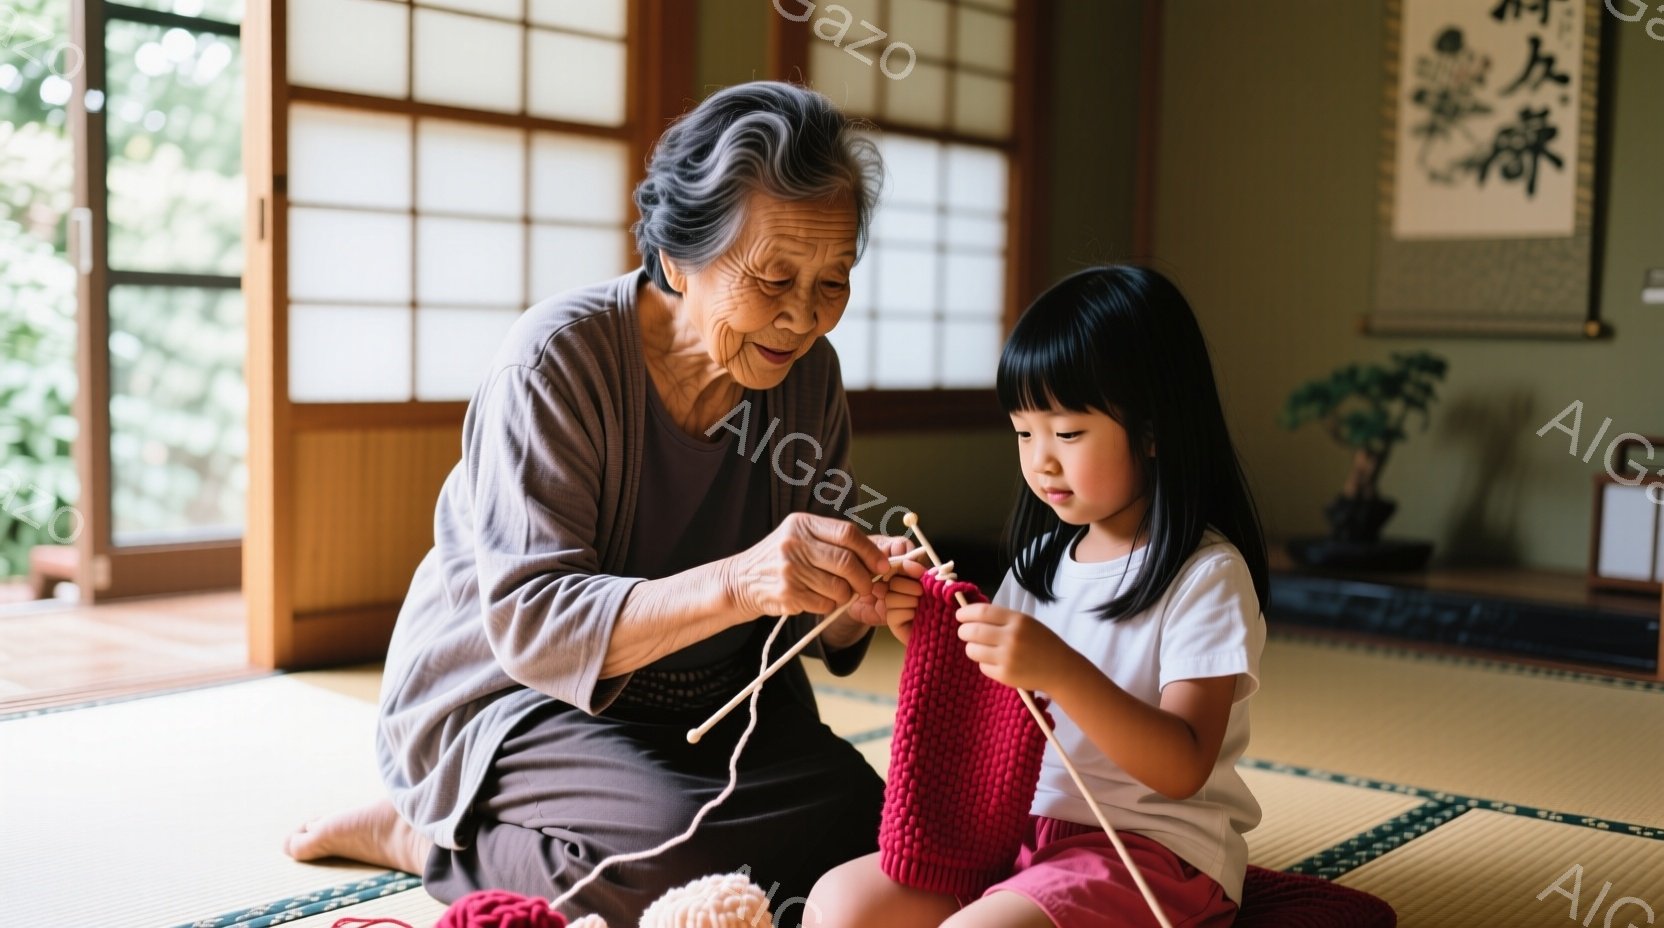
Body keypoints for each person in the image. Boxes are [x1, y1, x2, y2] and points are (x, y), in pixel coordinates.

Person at [281, 81, 925, 925]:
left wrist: (850, 598)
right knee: (678, 865)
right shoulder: (558, 360)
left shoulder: (808, 378)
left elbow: (794, 607)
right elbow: (534, 628)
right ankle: (433, 841)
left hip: (711, 696)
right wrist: (741, 581)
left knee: (877, 836)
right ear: (679, 255)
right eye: (774, 278)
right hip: (520, 698)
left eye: (832, 281)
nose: (804, 318)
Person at [809, 265, 1270, 928]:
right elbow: (1001, 705)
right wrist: (930, 633)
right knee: (839, 905)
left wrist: (1060, 670)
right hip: (1016, 827)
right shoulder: (1041, 562)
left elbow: (1184, 766)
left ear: (1153, 429)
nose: (1040, 460)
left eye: (1068, 433)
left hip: (1147, 851)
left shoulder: (1206, 575)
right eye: (1024, 433)